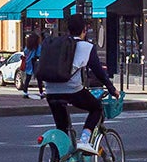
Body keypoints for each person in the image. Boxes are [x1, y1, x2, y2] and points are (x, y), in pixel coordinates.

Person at [44, 14, 118, 153]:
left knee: (61, 127)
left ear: (68, 29)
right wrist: (112, 89)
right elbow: (99, 72)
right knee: (96, 108)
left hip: (50, 91)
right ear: (84, 30)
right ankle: (84, 141)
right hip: (72, 91)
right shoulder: (86, 47)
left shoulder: (57, 44)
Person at [20, 32, 43, 98]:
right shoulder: (38, 47)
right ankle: (41, 92)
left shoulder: (27, 47)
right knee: (39, 79)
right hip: (35, 63)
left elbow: (25, 53)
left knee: (27, 78)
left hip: (28, 63)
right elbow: (39, 55)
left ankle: (25, 92)